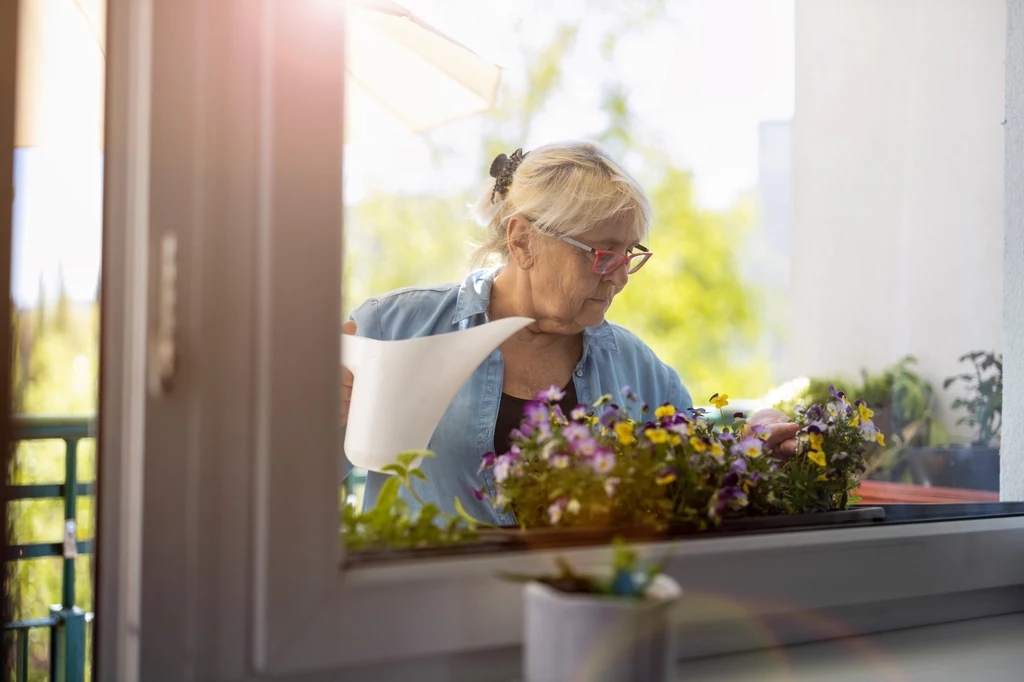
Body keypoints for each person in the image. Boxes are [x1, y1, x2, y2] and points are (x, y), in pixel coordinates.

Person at [341, 141, 798, 525]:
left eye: (629, 254)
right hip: (424, 620)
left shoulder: (636, 368)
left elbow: (697, 472)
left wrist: (750, 442)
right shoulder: (393, 329)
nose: (619, 278)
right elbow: (289, 492)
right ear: (522, 241)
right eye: (602, 254)